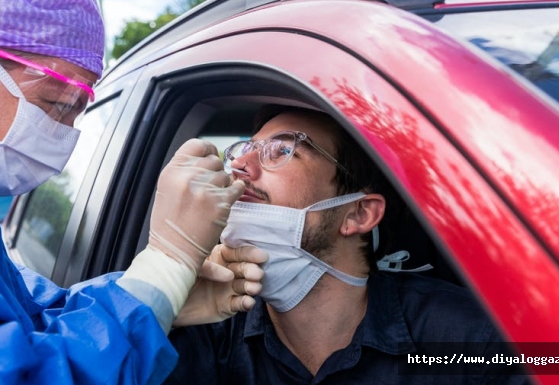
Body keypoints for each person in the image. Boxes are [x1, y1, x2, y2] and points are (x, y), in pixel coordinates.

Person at [0, 0, 265, 384]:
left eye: (77, 114)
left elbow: (30, 314)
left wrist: (163, 294)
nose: (64, 137)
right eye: (56, 105)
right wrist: (168, 264)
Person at [166, 105, 528, 384]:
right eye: (244, 149)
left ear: (358, 214)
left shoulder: (465, 339)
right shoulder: (205, 329)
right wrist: (158, 306)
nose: (240, 165)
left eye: (280, 151)